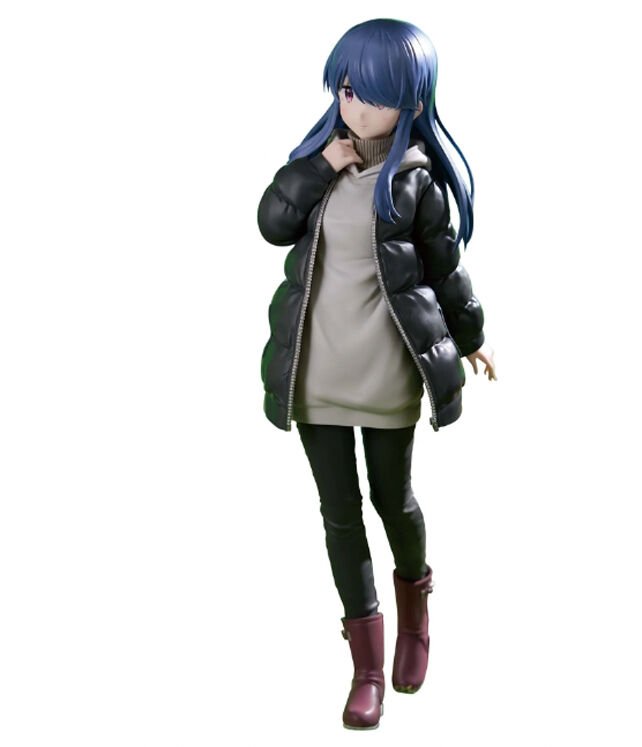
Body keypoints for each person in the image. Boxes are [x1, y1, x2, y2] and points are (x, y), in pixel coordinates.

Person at [257, 18, 496, 730]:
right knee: (339, 513)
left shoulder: (416, 181)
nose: (354, 105)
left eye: (373, 93)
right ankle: (365, 667)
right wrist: (320, 167)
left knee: (393, 500)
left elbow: (445, 269)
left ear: (412, 102)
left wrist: (471, 337)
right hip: (315, 370)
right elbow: (271, 222)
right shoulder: (317, 165)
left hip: (385, 369)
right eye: (347, 88)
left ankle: (415, 616)